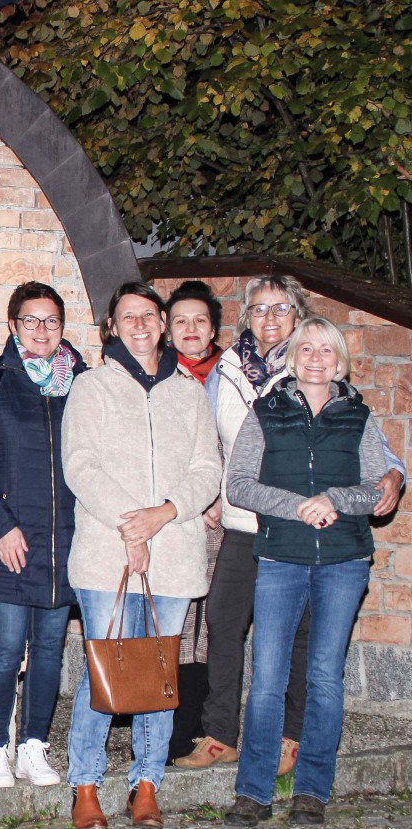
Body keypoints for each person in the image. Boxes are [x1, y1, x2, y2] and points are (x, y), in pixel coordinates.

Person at [177, 276, 406, 773]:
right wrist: (207, 494)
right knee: (223, 621)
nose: (270, 318)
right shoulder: (226, 370)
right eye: (260, 309)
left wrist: (393, 473)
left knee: (302, 633)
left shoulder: (314, 364)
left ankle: (292, 736)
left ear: (297, 315)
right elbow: (205, 438)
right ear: (247, 318)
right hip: (243, 521)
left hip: (304, 529)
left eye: (281, 308)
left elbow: (367, 442)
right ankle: (220, 734)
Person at [61, 282, 222, 829]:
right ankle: (85, 785)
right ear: (112, 326)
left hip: (172, 552)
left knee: (158, 674)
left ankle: (146, 785)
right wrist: (132, 525)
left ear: (162, 323)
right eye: (127, 316)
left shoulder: (189, 393)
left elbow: (208, 469)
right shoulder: (91, 386)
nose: (139, 324)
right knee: (103, 670)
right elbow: (80, 464)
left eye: (148, 314)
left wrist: (164, 514)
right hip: (105, 552)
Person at [221, 318, 385, 827]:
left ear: (340, 361)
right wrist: (296, 507)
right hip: (280, 558)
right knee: (267, 677)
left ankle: (312, 791)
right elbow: (238, 484)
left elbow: (376, 486)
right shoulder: (264, 412)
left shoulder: (360, 416)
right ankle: (253, 792)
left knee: (325, 678)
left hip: (344, 560)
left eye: (326, 350)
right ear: (293, 359)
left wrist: (333, 500)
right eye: (306, 349)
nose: (316, 358)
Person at [0, 281, 87, 789]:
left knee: (50, 647)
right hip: (9, 536)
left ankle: (34, 746)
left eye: (52, 321)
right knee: (6, 648)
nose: (41, 330)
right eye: (30, 320)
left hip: (63, 538)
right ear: (13, 325)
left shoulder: (82, 382)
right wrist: (1, 525)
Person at [162, 282, 225, 762]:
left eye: (200, 320)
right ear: (167, 328)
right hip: (169, 513)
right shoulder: (157, 374)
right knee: (172, 622)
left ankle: (198, 727)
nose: (190, 328)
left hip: (223, 515)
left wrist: (219, 497)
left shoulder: (231, 377)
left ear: (213, 329)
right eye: (180, 320)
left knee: (208, 623)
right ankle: (162, 727)